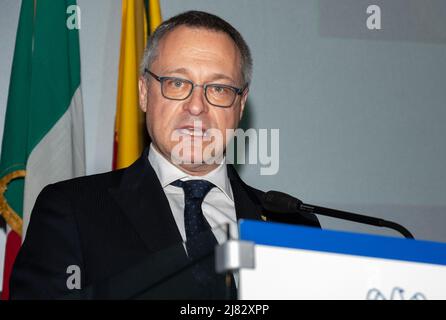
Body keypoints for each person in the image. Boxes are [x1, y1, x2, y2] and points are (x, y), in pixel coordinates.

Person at [9, 10, 320, 299]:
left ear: (240, 105)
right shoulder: (73, 210)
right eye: (177, 83)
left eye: (219, 89)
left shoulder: (292, 224)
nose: (197, 106)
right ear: (145, 92)